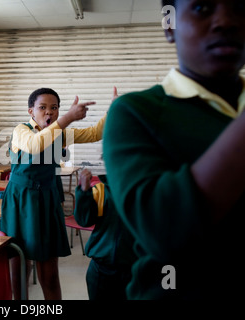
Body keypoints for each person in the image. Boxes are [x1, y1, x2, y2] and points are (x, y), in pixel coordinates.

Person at [103, 0, 245, 299]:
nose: (226, 22)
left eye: (240, 8)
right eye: (203, 8)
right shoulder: (135, 112)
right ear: (170, 25)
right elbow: (162, 231)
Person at [1, 87, 107, 300]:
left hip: (47, 200)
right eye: (42, 108)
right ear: (31, 111)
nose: (48, 113)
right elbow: (34, 144)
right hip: (20, 201)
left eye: (54, 108)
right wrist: (67, 118)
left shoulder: (61, 133)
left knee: (49, 274)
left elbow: (96, 133)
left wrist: (112, 111)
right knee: (19, 266)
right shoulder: (21, 131)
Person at [73, 169, 136, 300]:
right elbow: (84, 220)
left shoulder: (142, 190)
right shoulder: (101, 190)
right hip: (100, 270)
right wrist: (84, 191)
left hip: (133, 269)